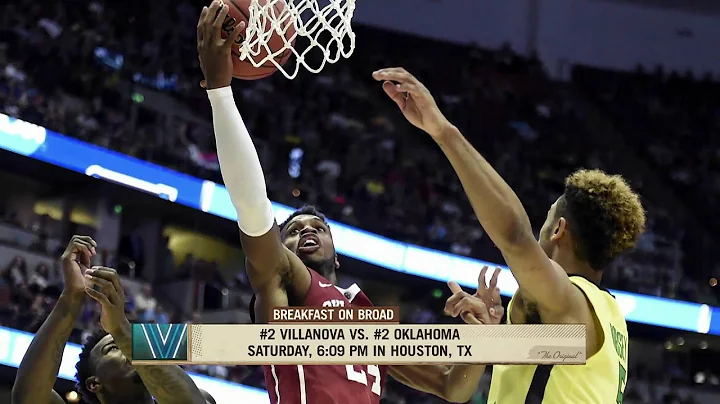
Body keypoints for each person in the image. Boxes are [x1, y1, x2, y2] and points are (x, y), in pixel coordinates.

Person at [196, 2, 501, 402]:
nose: (306, 232)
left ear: (336, 257)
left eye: (318, 229)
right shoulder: (284, 285)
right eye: (292, 232)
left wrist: (480, 337)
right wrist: (221, 93)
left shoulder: (366, 323)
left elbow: (452, 386)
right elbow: (253, 210)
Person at [375, 67, 645, 403]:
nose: (538, 232)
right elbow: (459, 380)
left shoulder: (568, 300)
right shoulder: (607, 315)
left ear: (559, 230)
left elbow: (515, 237)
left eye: (546, 221)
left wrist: (443, 131)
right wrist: (496, 336)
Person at [11, 235, 214, 404]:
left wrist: (121, 330)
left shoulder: (201, 397)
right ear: (94, 383)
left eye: (136, 345)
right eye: (114, 348)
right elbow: (26, 396)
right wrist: (71, 298)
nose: (129, 350)